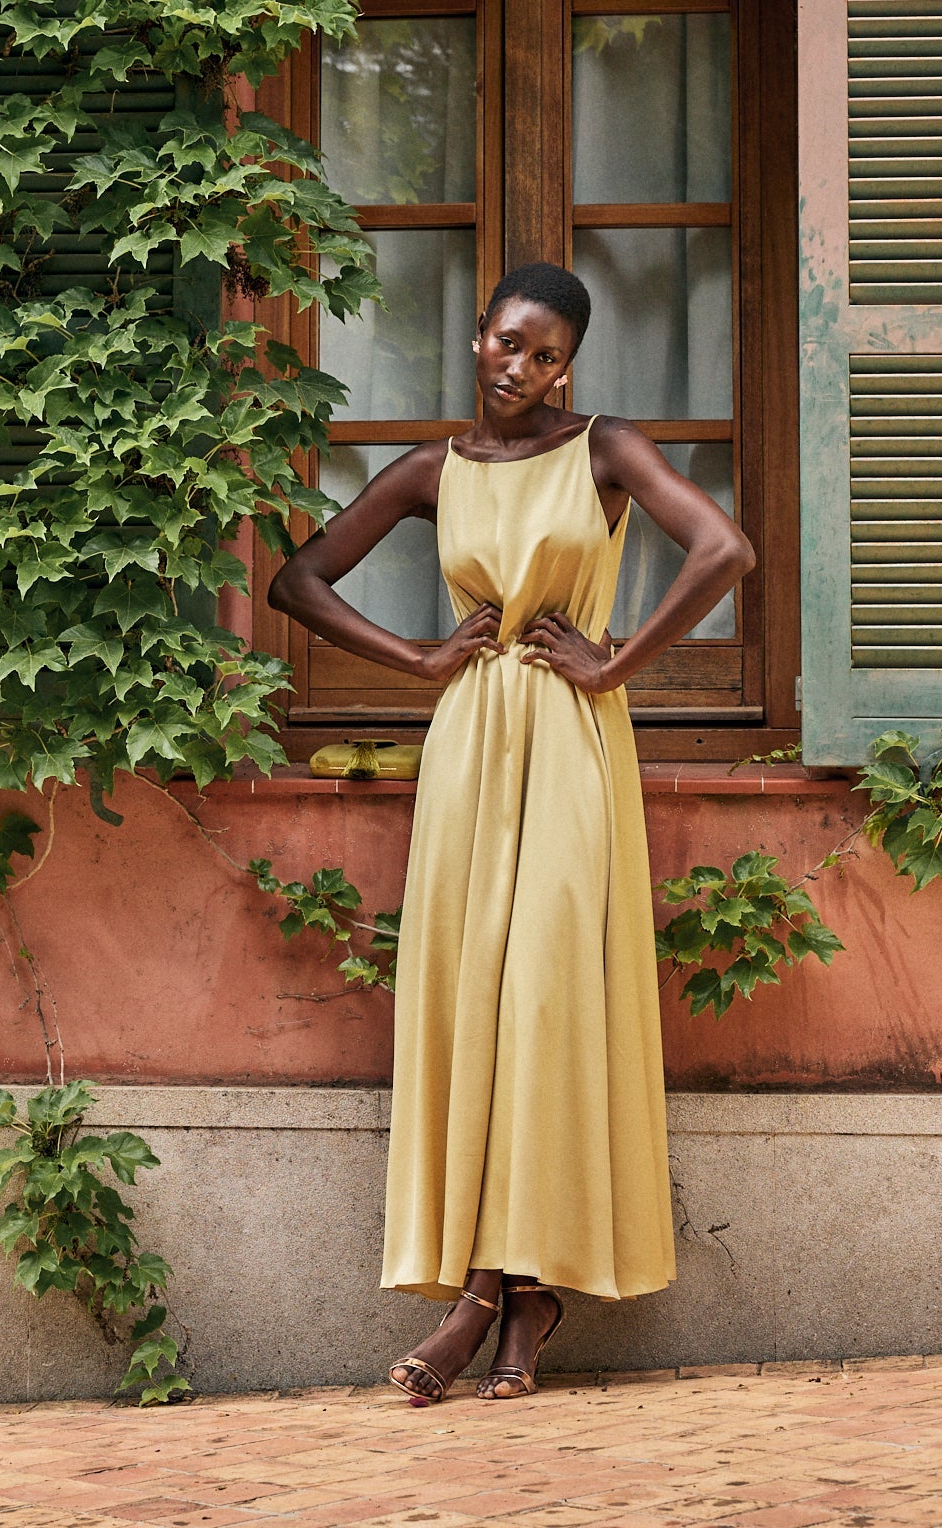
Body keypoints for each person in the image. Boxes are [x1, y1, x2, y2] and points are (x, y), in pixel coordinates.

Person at [268, 262, 755, 1402]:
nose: (518, 365)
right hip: (469, 745)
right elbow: (299, 578)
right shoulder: (433, 470)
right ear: (476, 333)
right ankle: (510, 1296)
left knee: (541, 997)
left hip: (572, 741)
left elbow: (722, 548)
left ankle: (494, 1293)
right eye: (506, 340)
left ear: (564, 367)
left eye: (544, 354)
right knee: (473, 1001)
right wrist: (422, 658)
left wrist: (616, 659)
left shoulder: (603, 448)